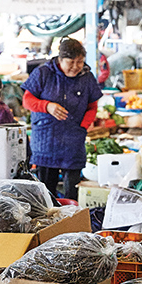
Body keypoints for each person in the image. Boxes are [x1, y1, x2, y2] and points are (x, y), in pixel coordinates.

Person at [22, 38, 103, 201]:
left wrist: (84, 126)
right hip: (46, 140)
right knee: (46, 193)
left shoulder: (86, 77)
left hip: (73, 140)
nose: (76, 66)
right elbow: (27, 100)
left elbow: (92, 106)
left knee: (72, 192)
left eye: (80, 62)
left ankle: (71, 223)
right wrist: (47, 106)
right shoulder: (43, 73)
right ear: (60, 59)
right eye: (71, 62)